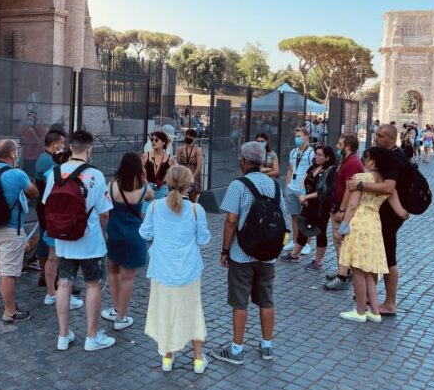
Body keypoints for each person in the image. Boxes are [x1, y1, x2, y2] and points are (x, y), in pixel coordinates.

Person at [42, 130, 115, 352]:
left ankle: (63, 335)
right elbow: (104, 212)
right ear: (89, 148)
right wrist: (105, 234)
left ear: (70, 147)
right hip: (89, 240)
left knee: (63, 284)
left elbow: (47, 203)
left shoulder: (55, 173)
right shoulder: (96, 176)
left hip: (63, 240)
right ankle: (91, 337)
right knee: (93, 284)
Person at [212, 142, 281, 365]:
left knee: (240, 302)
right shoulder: (274, 185)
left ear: (243, 160)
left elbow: (231, 220)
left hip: (242, 253)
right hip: (268, 254)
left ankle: (236, 349)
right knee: (266, 300)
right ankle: (267, 345)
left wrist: (225, 250)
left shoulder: (238, 185)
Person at [140, 165, 210, 374]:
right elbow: (203, 239)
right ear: (189, 185)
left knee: (166, 312)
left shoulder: (154, 207)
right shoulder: (197, 210)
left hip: (162, 269)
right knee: (194, 310)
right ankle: (198, 360)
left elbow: (145, 233)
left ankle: (167, 358)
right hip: (188, 269)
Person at [338, 147, 409, 322]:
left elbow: (353, 205)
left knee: (357, 268)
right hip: (374, 224)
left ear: (372, 161)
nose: (364, 160)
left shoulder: (360, 179)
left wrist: (343, 226)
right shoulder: (386, 185)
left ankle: (360, 311)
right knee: (368, 269)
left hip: (359, 223)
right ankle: (375, 311)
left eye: (366, 157)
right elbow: (401, 212)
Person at [0, 139, 40, 323]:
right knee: (8, 273)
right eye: (16, 151)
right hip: (11, 228)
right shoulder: (17, 174)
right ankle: (10, 311)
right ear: (13, 154)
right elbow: (34, 192)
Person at [102, 152, 154, 331]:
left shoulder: (111, 186)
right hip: (133, 235)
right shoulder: (144, 188)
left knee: (113, 272)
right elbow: (151, 197)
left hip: (114, 233)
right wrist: (144, 177)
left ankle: (115, 308)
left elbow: (105, 212)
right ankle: (122, 316)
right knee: (128, 277)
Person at [34, 130, 84, 311]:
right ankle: (63, 295)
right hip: (62, 219)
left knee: (53, 257)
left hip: (52, 218)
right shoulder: (57, 172)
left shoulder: (51, 170)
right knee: (63, 258)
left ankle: (51, 293)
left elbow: (46, 198)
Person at [280, 145, 337, 270]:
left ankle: (317, 261)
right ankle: (295, 255)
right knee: (303, 228)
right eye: (316, 153)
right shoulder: (313, 167)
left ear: (327, 157)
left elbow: (324, 191)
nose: (316, 156)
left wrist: (307, 197)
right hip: (308, 203)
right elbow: (303, 181)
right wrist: (303, 195)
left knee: (320, 232)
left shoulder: (330, 171)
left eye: (320, 154)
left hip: (321, 206)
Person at [325, 135, 364, 291]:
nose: (337, 146)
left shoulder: (353, 163)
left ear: (347, 146)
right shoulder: (347, 160)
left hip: (342, 208)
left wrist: (342, 209)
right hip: (337, 205)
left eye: (340, 144)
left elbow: (349, 188)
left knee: (341, 242)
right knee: (338, 242)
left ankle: (343, 276)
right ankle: (343, 270)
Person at [282, 127, 315, 256]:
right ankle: (296, 241)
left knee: (306, 217)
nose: (297, 138)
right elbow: (290, 169)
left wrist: (306, 190)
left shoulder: (311, 153)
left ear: (306, 137)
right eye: (296, 136)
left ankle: (307, 243)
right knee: (294, 216)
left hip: (304, 190)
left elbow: (313, 172)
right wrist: (287, 186)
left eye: (299, 136)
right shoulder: (293, 152)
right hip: (292, 188)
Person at [143, 131, 175, 199]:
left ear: (163, 142)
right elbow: (140, 172)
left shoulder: (170, 159)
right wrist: (147, 184)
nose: (153, 142)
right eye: (152, 139)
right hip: (147, 188)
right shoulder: (145, 156)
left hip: (162, 188)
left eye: (156, 140)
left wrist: (163, 182)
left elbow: (172, 176)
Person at [176, 128, 203, 202]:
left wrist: (192, 178)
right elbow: (178, 164)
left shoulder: (198, 150)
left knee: (192, 201)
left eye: (191, 136)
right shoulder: (180, 149)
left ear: (194, 138)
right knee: (181, 200)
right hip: (182, 177)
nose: (188, 137)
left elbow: (199, 166)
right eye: (187, 135)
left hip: (194, 178)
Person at [19, 110, 48, 180]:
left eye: (31, 119)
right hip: (26, 158)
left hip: (36, 158)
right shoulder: (25, 129)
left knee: (35, 178)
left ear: (35, 120)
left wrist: (33, 133)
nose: (29, 121)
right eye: (28, 119)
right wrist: (22, 140)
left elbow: (41, 143)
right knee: (26, 177)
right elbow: (22, 143)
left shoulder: (41, 129)